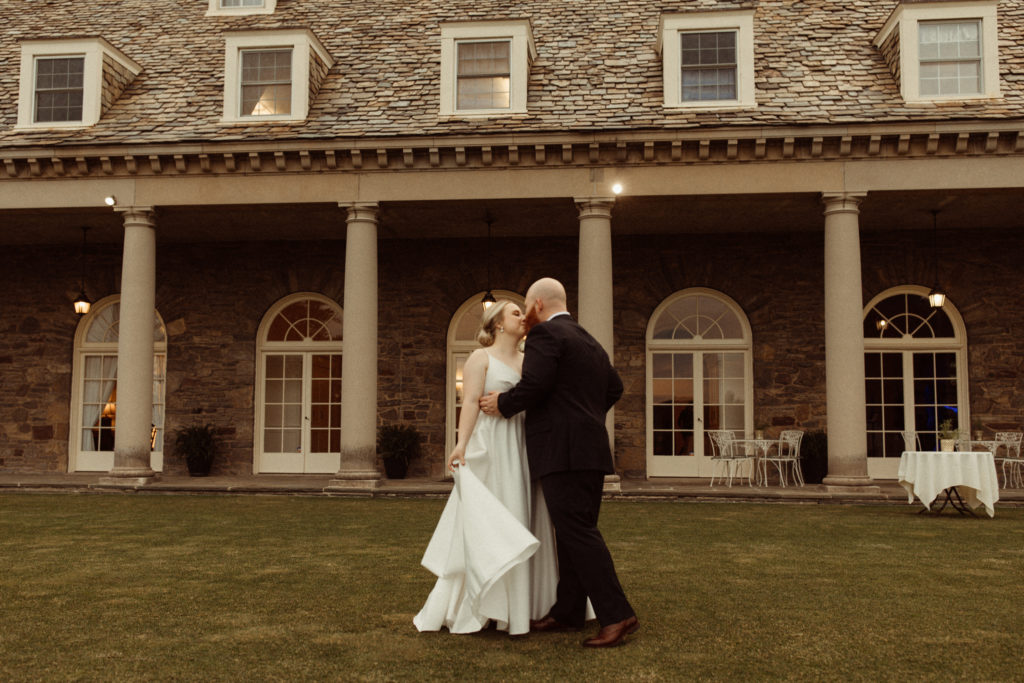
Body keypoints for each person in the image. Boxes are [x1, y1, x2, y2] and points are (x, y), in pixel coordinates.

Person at [479, 277, 639, 648]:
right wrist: (584, 416)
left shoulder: (545, 336)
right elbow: (614, 387)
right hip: (591, 449)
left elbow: (535, 384)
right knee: (572, 533)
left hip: (562, 451)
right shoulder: (588, 339)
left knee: (578, 532)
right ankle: (568, 611)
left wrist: (502, 404)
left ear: (536, 304)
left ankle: (617, 615)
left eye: (525, 306)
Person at [413, 300, 560, 636]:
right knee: (495, 517)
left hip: (523, 445)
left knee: (525, 517)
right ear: (496, 324)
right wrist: (461, 443)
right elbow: (470, 403)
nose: (523, 318)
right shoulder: (481, 358)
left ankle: (526, 607)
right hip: (493, 445)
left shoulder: (529, 361)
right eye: (515, 314)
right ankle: (485, 604)